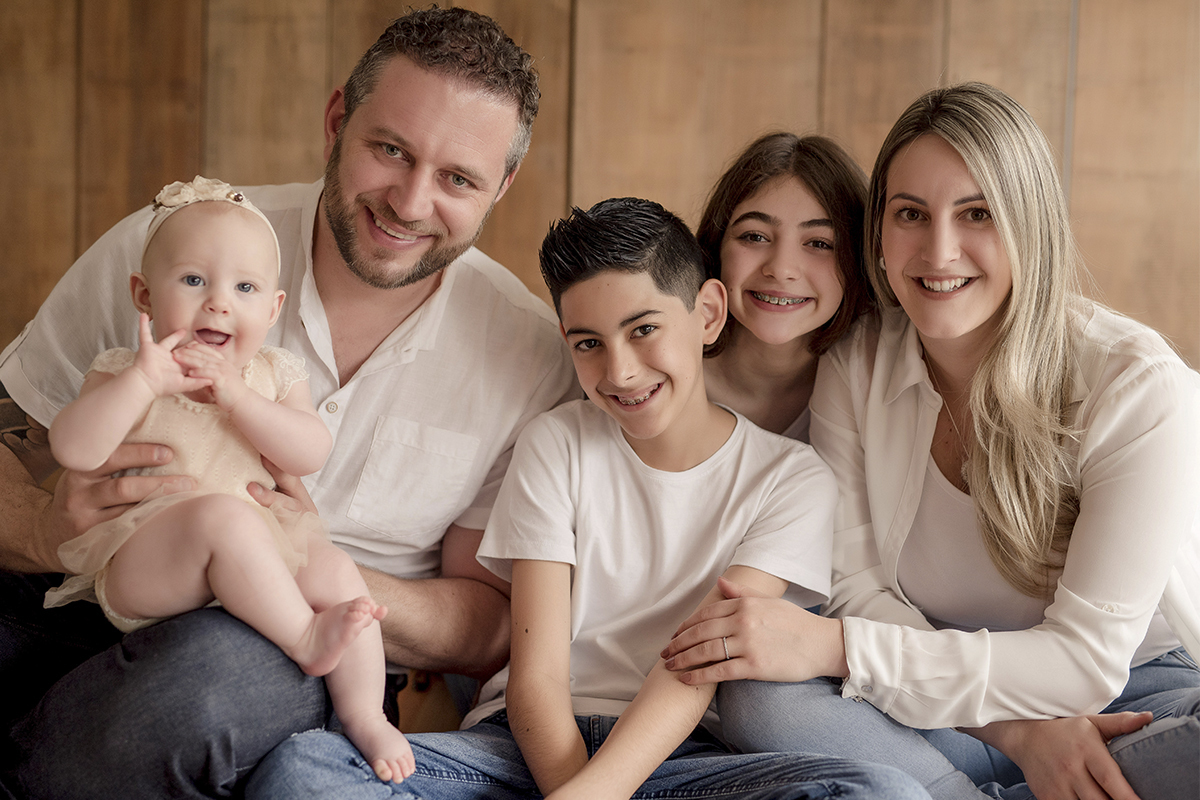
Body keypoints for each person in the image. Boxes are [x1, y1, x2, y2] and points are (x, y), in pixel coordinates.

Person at [0, 7, 576, 798]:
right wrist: (37, 528)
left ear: (501, 186)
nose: (410, 202)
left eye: (457, 179)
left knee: (207, 681)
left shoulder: (529, 352)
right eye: (390, 150)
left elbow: (488, 623)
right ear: (337, 120)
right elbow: (13, 436)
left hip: (292, 651)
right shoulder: (180, 246)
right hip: (86, 593)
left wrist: (304, 572)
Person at [242, 197, 931, 799]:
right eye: (588, 344)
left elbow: (693, 672)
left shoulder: (792, 478)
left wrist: (595, 796)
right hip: (519, 752)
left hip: (683, 762)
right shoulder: (556, 444)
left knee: (882, 792)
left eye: (644, 330)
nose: (620, 370)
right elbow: (537, 679)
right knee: (306, 771)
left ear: (709, 314)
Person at [662, 82, 1200, 800]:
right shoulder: (857, 362)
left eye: (976, 213)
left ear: (1028, 223)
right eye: (911, 214)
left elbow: (1084, 664)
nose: (939, 250)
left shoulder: (1135, 385)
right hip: (932, 716)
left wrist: (839, 647)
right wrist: (1017, 733)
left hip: (1128, 698)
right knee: (759, 695)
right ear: (879, 236)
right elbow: (858, 589)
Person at [44, 176, 413, 783]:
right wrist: (144, 382)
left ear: (271, 308)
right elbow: (74, 447)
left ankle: (365, 714)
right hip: (150, 561)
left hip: (255, 562)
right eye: (193, 281)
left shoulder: (271, 373)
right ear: (143, 295)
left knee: (336, 571)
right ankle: (303, 637)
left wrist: (238, 398)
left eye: (244, 288)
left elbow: (310, 450)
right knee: (223, 517)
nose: (218, 302)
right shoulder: (125, 370)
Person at [698, 132, 874, 444]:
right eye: (755, 236)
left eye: (820, 243)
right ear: (717, 245)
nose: (781, 270)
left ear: (858, 261)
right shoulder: (650, 365)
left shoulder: (870, 385)